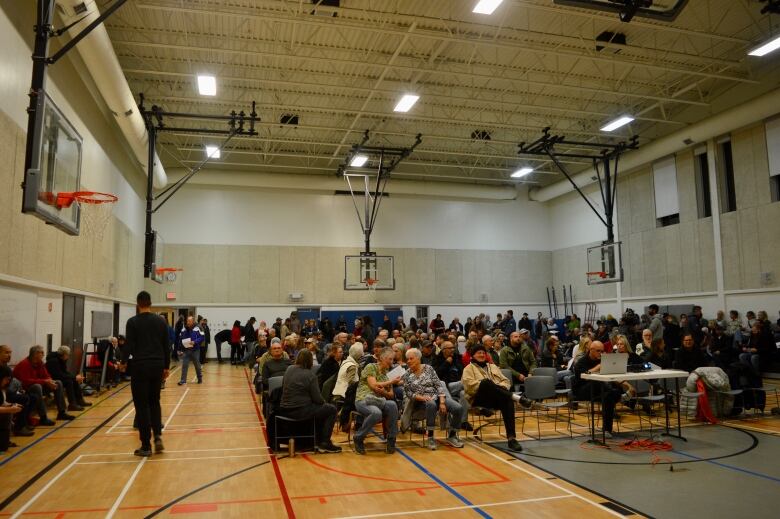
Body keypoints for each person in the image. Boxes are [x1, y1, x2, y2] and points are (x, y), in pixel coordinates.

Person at [118, 291, 170, 457]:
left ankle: (146, 445)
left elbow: (129, 345)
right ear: (151, 303)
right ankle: (158, 437)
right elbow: (166, 346)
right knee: (155, 402)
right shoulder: (161, 322)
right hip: (157, 365)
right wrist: (166, 367)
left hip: (140, 366)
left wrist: (123, 362)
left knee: (142, 406)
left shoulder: (132, 322)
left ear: (137, 304)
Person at [462, 344, 529, 452]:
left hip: (495, 399)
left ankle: (511, 439)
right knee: (485, 382)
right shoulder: (468, 369)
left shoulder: (493, 366)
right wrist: (490, 386)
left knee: (508, 402)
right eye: (479, 353)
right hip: (479, 399)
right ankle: (518, 398)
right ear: (473, 356)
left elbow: (506, 381)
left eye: (483, 353)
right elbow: (469, 387)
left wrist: (498, 388)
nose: (482, 355)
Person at [278, 350, 341, 453]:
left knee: (321, 409)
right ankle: (324, 442)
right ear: (310, 360)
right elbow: (317, 399)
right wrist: (325, 402)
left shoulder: (289, 369)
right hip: (300, 410)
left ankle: (317, 439)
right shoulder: (310, 375)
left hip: (284, 409)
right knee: (331, 409)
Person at [402, 348, 464, 449]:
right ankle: (430, 437)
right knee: (430, 404)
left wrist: (443, 402)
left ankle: (452, 436)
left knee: (458, 408)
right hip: (419, 401)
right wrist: (422, 397)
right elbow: (409, 393)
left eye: (411, 358)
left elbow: (439, 385)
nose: (408, 361)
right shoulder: (407, 375)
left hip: (438, 397)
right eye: (407, 359)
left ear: (418, 359)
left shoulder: (429, 369)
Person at [353, 348, 400, 455]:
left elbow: (391, 394)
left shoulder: (388, 373)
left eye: (393, 359)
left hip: (379, 400)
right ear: (382, 358)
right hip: (364, 399)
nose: (392, 362)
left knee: (392, 404)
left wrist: (384, 392)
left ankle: (391, 438)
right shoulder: (371, 367)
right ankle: (358, 437)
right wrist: (391, 381)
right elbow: (373, 385)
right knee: (376, 413)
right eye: (390, 359)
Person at [571, 340, 622, 438]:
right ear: (591, 350)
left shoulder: (602, 359)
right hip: (582, 390)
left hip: (599, 391)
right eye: (599, 351)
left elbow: (611, 375)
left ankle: (607, 430)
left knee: (609, 396)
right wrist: (598, 367)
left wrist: (627, 385)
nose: (601, 353)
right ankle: (619, 396)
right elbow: (585, 375)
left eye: (602, 351)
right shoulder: (581, 362)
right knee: (597, 382)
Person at [13, 345, 74, 423]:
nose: (43, 354)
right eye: (41, 353)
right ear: (35, 354)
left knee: (58, 382)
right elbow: (25, 381)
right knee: (37, 387)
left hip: (38, 385)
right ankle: (43, 417)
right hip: (25, 388)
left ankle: (62, 412)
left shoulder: (40, 363)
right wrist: (45, 381)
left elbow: (46, 375)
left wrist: (50, 381)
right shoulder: (24, 364)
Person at [0, 345, 36, 435]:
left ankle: (23, 423)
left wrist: (18, 390)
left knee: (32, 397)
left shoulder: (5, 366)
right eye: (6, 352)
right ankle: (19, 427)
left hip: (6, 392)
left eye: (10, 352)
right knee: (23, 399)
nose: (9, 355)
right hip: (3, 394)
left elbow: (9, 383)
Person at [45, 346, 91, 411]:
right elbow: (58, 375)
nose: (68, 356)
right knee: (69, 381)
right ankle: (72, 404)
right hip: (53, 379)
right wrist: (74, 377)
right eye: (68, 354)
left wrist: (75, 377)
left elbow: (65, 372)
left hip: (59, 378)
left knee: (73, 380)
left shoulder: (61, 359)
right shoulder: (53, 361)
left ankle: (79, 400)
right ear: (64, 354)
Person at [0, 365, 24, 454]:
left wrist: (11, 405)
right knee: (7, 414)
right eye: (6, 379)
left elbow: (2, 403)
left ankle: (4, 443)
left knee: (8, 413)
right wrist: (10, 409)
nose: (8, 381)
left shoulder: (2, 389)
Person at [178, 316, 204, 385]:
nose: (188, 322)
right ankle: (183, 380)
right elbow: (180, 339)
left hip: (195, 350)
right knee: (184, 365)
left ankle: (200, 378)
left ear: (193, 321)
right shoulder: (184, 329)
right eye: (187, 321)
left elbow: (202, 337)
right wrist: (179, 349)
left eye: (189, 321)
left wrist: (195, 342)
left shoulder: (198, 327)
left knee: (197, 366)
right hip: (186, 350)